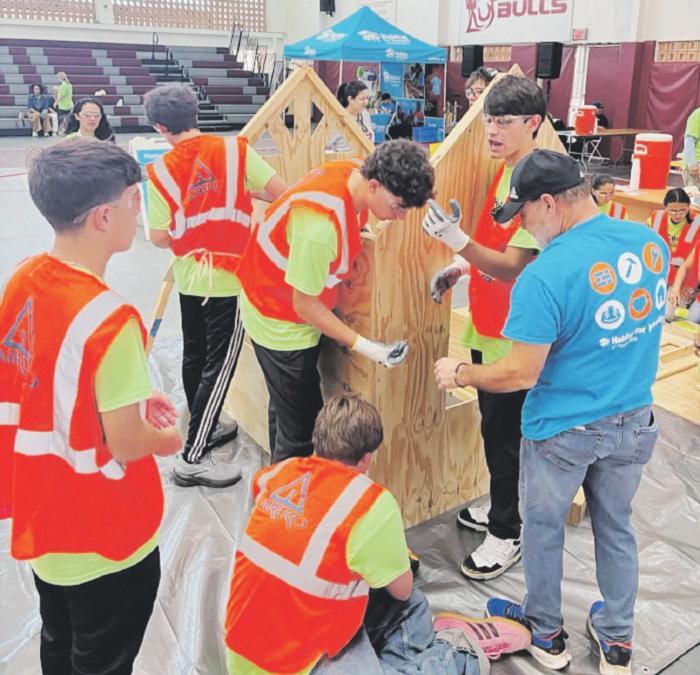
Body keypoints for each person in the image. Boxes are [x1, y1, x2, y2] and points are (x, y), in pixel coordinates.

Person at [433, 150, 667, 675]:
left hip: (563, 429)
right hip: (633, 420)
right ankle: (617, 640)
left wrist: (461, 372)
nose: (522, 227)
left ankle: (545, 632)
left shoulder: (545, 275)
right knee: (616, 526)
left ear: (548, 203)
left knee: (542, 529)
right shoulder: (649, 243)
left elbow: (519, 373)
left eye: (523, 214)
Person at [0, 139, 183, 674]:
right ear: (104, 216)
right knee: (103, 659)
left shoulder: (25, 278)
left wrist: (123, 395)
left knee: (59, 640)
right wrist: (168, 439)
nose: (139, 211)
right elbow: (126, 443)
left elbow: (41, 378)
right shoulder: (110, 320)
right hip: (103, 534)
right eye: (134, 200)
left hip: (45, 522)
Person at [224, 394, 532, 674]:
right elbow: (402, 591)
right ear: (367, 457)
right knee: (408, 603)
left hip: (241, 649)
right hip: (297, 665)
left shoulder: (278, 473)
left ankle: (412, 655)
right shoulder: (369, 504)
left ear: (318, 440)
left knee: (410, 607)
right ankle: (459, 650)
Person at [236, 139, 434, 464]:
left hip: (281, 303)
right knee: (302, 434)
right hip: (278, 321)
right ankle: (286, 488)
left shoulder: (354, 173)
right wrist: (367, 346)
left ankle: (279, 475)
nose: (399, 217)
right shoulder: (319, 229)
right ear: (374, 185)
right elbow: (305, 305)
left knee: (286, 410)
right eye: (398, 207)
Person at [422, 74, 544, 581]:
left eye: (504, 121)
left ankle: (507, 532)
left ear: (533, 123)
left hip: (516, 335)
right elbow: (497, 245)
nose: (492, 130)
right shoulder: (506, 171)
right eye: (488, 119)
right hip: (488, 322)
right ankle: (502, 503)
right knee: (494, 429)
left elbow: (514, 264)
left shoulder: (538, 183)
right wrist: (462, 265)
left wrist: (458, 242)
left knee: (505, 436)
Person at [144, 84, 287, 488]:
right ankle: (192, 457)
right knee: (220, 365)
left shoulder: (161, 170)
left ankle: (202, 427)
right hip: (230, 278)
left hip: (191, 274)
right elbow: (281, 193)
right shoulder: (235, 151)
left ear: (160, 127)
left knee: (196, 354)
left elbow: (158, 236)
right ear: (196, 114)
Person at [647, 188, 700, 320]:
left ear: (689, 207)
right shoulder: (655, 218)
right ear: (665, 207)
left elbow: (692, 262)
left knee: (669, 316)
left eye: (683, 210)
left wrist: (682, 287)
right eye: (673, 210)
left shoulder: (697, 222)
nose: (678, 214)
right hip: (658, 272)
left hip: (684, 278)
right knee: (648, 308)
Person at [328, 80, 374, 150]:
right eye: (362, 99)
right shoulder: (337, 119)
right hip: (344, 156)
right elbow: (321, 145)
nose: (366, 102)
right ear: (350, 99)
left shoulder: (365, 115)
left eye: (367, 98)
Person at [668, 243, 700, 324]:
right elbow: (684, 267)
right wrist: (676, 288)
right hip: (689, 289)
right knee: (669, 316)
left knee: (692, 321)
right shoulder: (698, 245)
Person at [682, 106, 700, 189]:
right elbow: (689, 140)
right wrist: (692, 164)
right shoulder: (697, 114)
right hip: (696, 165)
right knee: (694, 195)